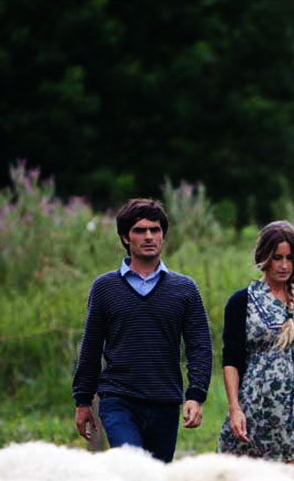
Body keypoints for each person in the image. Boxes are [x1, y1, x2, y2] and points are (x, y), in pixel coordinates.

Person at [72, 198, 211, 463]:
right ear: (125, 237)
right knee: (132, 469)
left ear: (163, 236)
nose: (149, 236)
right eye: (139, 230)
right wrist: (83, 400)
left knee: (158, 480)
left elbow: (200, 346)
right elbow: (91, 346)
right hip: (119, 399)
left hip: (165, 401)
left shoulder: (184, 289)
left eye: (155, 230)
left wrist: (196, 395)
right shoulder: (105, 288)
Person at [217, 220, 294, 466]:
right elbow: (231, 359)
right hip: (258, 406)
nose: (284, 265)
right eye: (277, 258)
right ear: (264, 258)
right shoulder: (242, 301)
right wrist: (234, 408)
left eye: (290, 258)